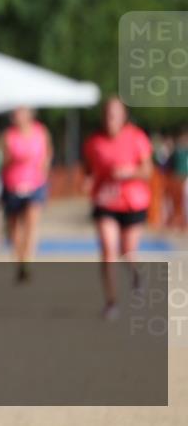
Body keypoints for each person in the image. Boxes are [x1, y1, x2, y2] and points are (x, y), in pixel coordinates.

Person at [82, 97, 153, 320]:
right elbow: (89, 171)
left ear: (123, 116)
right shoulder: (93, 142)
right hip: (105, 202)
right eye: (107, 114)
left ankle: (136, 274)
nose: (110, 118)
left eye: (114, 114)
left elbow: (148, 171)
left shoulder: (136, 137)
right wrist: (87, 181)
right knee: (108, 250)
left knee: (128, 250)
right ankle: (111, 302)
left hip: (133, 201)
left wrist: (130, 172)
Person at [0, 107, 52, 282]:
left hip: (35, 183)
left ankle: (27, 261)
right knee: (14, 227)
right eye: (16, 113)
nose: (18, 116)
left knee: (31, 223)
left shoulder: (41, 131)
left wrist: (44, 169)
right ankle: (19, 259)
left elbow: (47, 153)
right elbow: (3, 161)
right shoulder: (8, 135)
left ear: (30, 114)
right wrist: (13, 159)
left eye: (22, 112)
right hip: (13, 184)